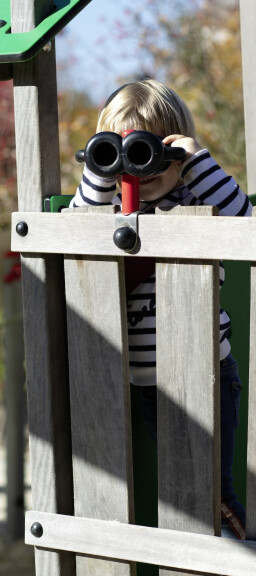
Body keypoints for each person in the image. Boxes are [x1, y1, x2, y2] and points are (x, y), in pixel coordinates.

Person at [70, 78, 252, 539]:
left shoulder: (196, 200)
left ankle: (235, 556)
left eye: (150, 150)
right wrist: (98, 173)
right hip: (141, 384)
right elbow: (73, 234)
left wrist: (198, 166)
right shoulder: (107, 211)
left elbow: (247, 227)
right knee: (173, 491)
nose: (140, 167)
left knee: (210, 493)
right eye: (120, 152)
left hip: (205, 375)